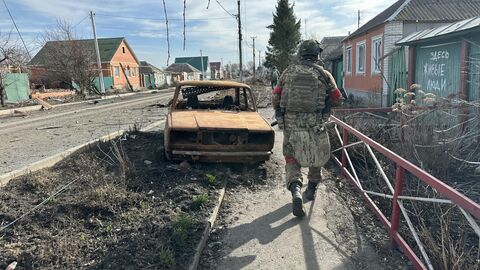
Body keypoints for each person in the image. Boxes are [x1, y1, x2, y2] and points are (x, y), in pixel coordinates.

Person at [272, 40, 343, 217]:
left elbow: (276, 96)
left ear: (300, 54)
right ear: (317, 54)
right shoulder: (324, 74)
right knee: (315, 156)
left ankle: (295, 188)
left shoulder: (287, 72)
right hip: (315, 123)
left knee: (291, 157)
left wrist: (280, 114)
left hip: (291, 123)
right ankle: (310, 190)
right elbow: (337, 98)